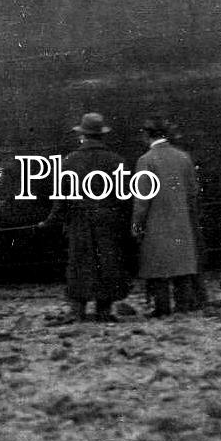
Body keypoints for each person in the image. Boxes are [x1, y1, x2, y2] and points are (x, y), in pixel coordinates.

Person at [40, 113, 130, 322]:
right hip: (108, 220)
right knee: (107, 262)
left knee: (80, 263)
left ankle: (78, 310)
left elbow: (61, 199)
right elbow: (124, 196)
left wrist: (49, 221)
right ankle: (104, 310)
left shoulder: (69, 161)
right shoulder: (117, 161)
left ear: (82, 136)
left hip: (79, 220)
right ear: (101, 136)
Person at [132, 116, 200, 316]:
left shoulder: (146, 160)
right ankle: (183, 307)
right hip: (181, 220)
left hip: (156, 221)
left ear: (146, 135)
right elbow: (192, 191)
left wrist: (136, 225)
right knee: (182, 263)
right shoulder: (183, 157)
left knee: (158, 265)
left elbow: (142, 199)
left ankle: (162, 309)